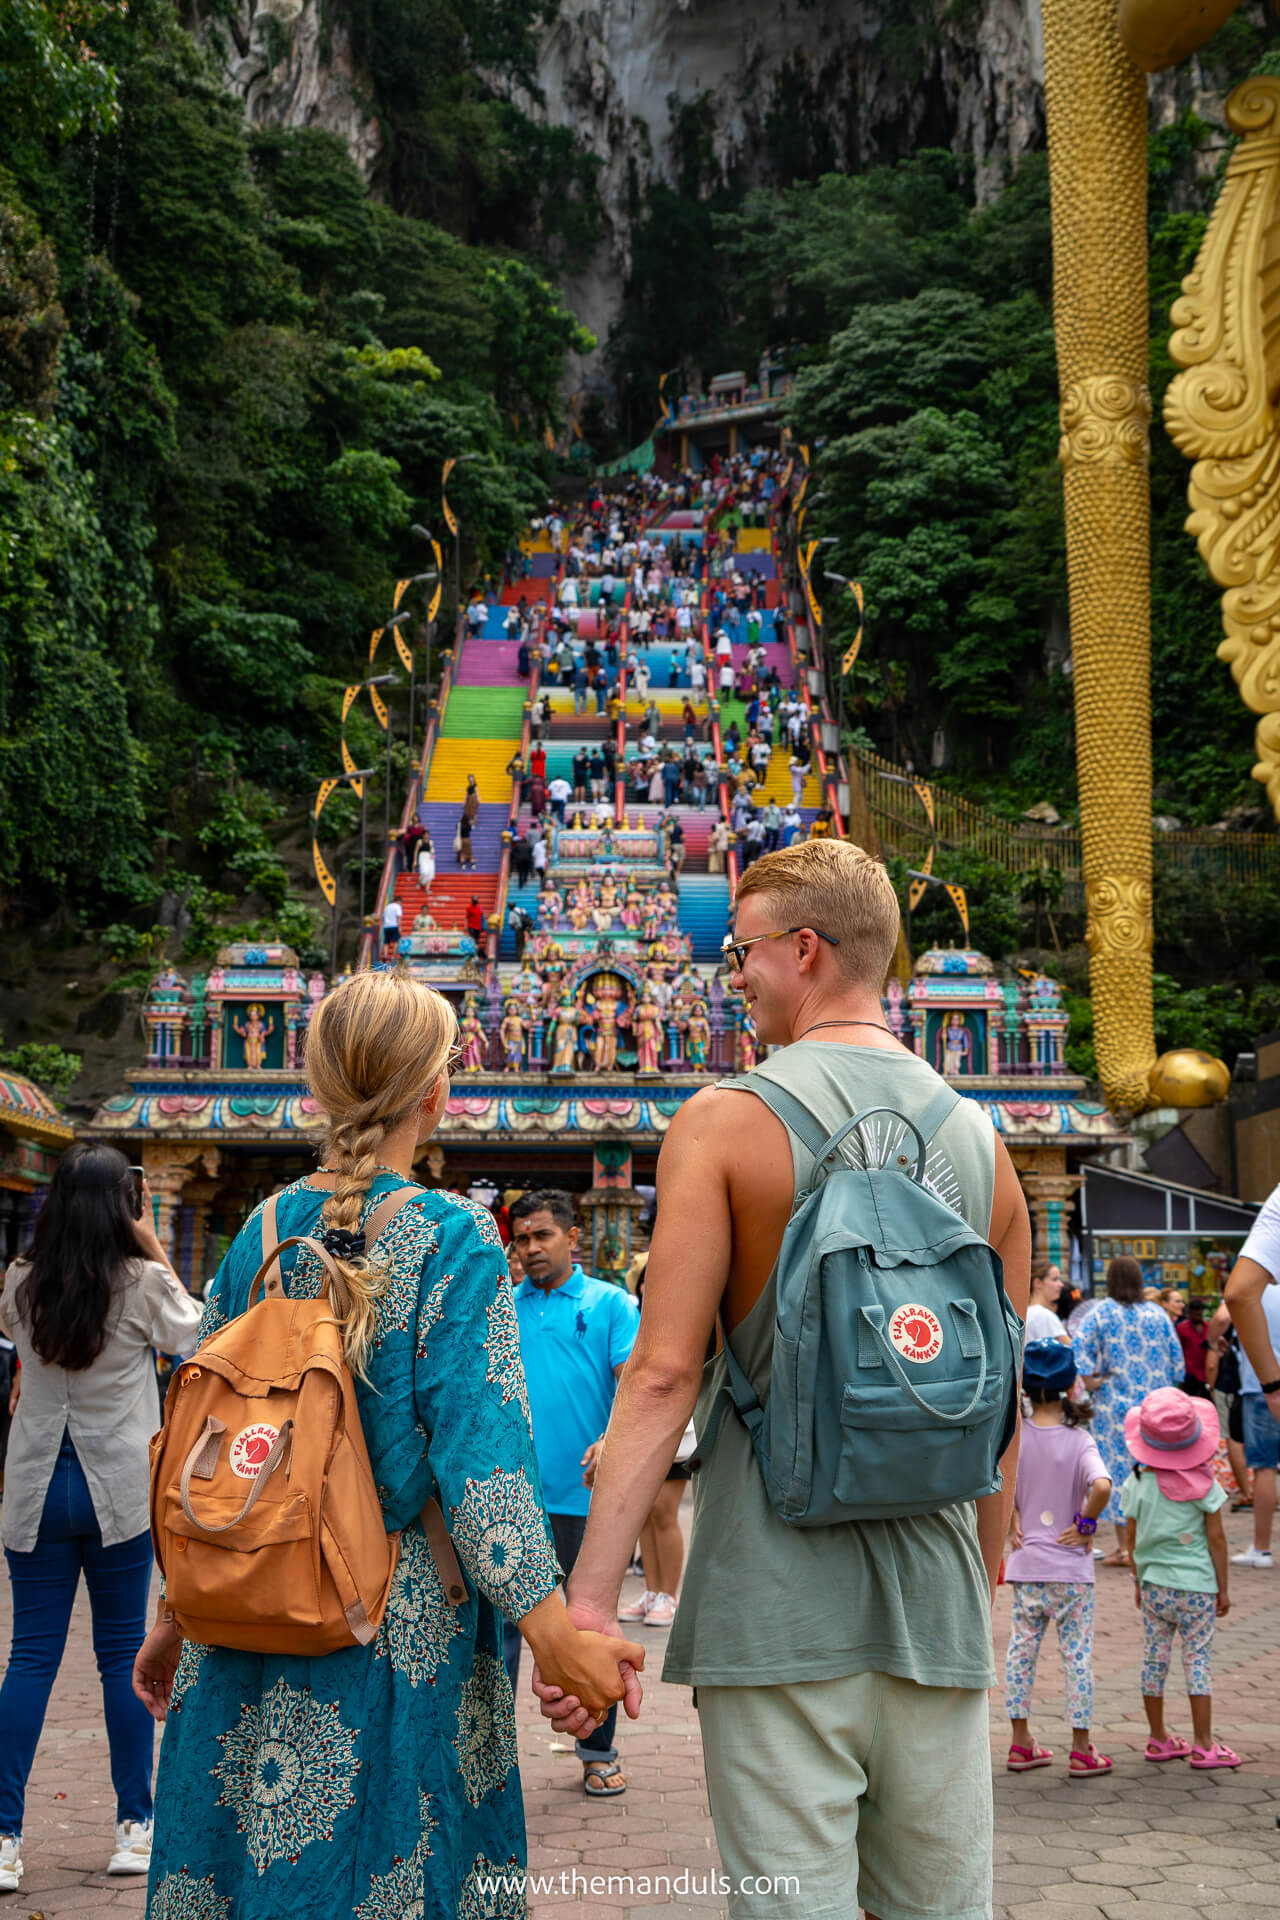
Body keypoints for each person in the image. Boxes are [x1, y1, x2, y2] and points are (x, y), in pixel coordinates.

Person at [536, 840, 1030, 1920]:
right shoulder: (985, 1144)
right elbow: (998, 1414)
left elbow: (662, 1378)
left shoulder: (724, 1121)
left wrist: (586, 1609)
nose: (735, 976)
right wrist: (975, 1601)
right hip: (935, 1613)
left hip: (772, 1611)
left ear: (802, 951)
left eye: (743, 952)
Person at [132, 973, 640, 1915]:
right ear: (438, 1091)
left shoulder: (259, 1231)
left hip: (250, 1599)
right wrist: (559, 1639)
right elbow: (483, 1471)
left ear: (320, 1088)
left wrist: (174, 1611)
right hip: (390, 1620)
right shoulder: (456, 1243)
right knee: (391, 1865)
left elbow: (207, 1440)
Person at [0, 1145, 204, 1891]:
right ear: (127, 1203)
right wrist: (149, 1241)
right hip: (116, 1489)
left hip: (34, 1488)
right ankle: (133, 1829)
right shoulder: (141, 1281)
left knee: (30, 1660)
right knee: (124, 1658)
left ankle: (4, 1838)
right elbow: (198, 1335)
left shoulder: (20, 1281)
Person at [505, 1192, 640, 1797]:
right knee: (504, 1633)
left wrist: (610, 1438)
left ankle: (596, 1751)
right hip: (514, 1502)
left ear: (573, 1238)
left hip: (586, 1501)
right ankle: (490, 1758)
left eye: (542, 1236)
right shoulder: (502, 1310)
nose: (531, 1248)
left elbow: (636, 1391)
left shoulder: (611, 1305)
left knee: (587, 1630)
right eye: (522, 1239)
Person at [1003, 1342, 1113, 1778]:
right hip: (1071, 1571)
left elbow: (1002, 1483)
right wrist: (1086, 1525)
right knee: (1077, 1658)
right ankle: (1082, 1749)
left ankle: (1019, 1743)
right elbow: (1101, 1486)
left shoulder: (1016, 1436)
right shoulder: (1079, 1439)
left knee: (1020, 1655)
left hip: (1028, 1567)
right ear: (1071, 1385)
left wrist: (1014, 1518)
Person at [1121, 1387, 1238, 1768]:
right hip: (1198, 1587)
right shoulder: (1205, 1484)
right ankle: (1204, 1744)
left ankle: (1158, 1738)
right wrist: (1223, 1588)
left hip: (1155, 1587)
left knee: (1154, 1660)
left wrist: (1139, 1580)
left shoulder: (1137, 1483)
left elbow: (1134, 1541)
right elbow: (1217, 1540)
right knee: (1197, 1660)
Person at [1072, 1255, 1184, 1568]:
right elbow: (1178, 1362)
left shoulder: (1101, 1313)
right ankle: (1155, 1540)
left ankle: (1125, 1548)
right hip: (1155, 1405)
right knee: (1155, 1468)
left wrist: (1092, 1379)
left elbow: (1078, 1351)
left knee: (1118, 1472)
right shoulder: (1157, 1315)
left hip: (1114, 1407)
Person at [616, 1258, 690, 1630]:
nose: (649, 1287)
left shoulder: (683, 1318)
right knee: (644, 1511)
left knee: (664, 1511)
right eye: (646, 1281)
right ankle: (652, 1591)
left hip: (676, 1425)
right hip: (639, 1423)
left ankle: (669, 1595)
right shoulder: (632, 1317)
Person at [1223, 1186, 1280, 1569]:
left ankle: (1261, 1547)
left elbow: (1238, 1296)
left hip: (1262, 1388)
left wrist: (1273, 1386)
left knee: (1265, 1468)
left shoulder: (1262, 1292)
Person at [1025, 1260, 1071, 1345]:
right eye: (1055, 1279)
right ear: (1038, 1283)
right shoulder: (1044, 1315)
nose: (1061, 1284)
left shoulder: (1026, 1313)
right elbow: (1073, 1349)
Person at [1175, 1296, 1213, 1401]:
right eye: (1194, 1313)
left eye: (1199, 1313)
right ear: (1190, 1313)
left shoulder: (1209, 1327)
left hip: (1205, 1374)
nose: (1197, 1315)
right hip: (1189, 1374)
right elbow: (1178, 1352)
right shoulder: (1181, 1328)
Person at [381, 892, 403, 956]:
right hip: (394, 926)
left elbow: (383, 917)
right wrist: (399, 927)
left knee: (386, 942)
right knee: (396, 942)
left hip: (386, 926)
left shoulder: (387, 907)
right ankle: (393, 957)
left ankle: (385, 956)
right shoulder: (397, 906)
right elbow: (398, 917)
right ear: (399, 901)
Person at [415, 829, 435, 895]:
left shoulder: (431, 842)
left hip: (429, 858)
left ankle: (427, 889)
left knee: (430, 873)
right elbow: (416, 851)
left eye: (427, 834)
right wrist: (415, 860)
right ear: (423, 835)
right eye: (425, 834)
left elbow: (432, 850)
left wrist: (433, 854)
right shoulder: (419, 841)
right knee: (424, 871)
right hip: (422, 857)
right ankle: (419, 882)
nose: (426, 836)